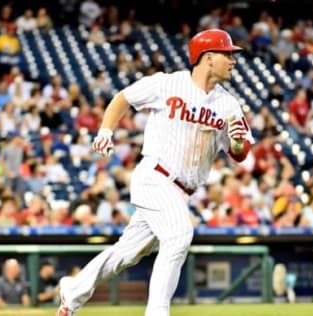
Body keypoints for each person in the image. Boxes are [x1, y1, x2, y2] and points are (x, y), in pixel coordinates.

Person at [57, 29, 253, 316]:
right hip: (155, 177)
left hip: (182, 191)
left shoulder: (229, 105)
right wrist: (106, 130)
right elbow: (123, 97)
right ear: (208, 58)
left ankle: (73, 291)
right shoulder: (168, 84)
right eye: (227, 54)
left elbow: (240, 153)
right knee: (179, 234)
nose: (233, 60)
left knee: (125, 253)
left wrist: (237, 142)